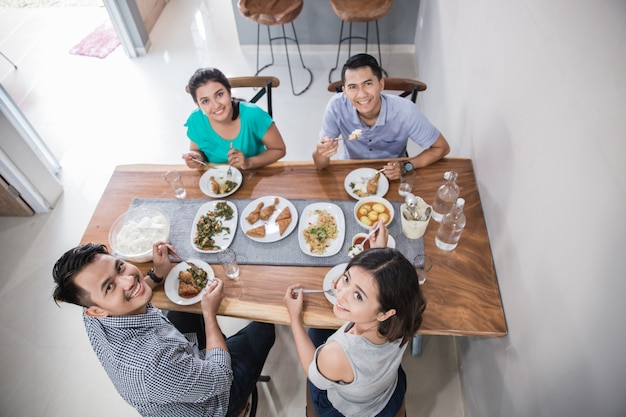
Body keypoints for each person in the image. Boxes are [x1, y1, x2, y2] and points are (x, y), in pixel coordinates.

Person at [52, 241, 275, 417]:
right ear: (96, 311)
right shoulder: (152, 364)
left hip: (177, 365)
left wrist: (156, 275)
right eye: (110, 287)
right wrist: (209, 314)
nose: (128, 280)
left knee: (184, 302)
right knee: (265, 325)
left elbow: (129, 288)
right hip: (214, 402)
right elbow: (220, 378)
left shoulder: (93, 311)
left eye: (119, 267)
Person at [284, 222, 427, 417]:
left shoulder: (336, 354)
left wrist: (294, 318)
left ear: (384, 313)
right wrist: (379, 255)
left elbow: (313, 372)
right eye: (347, 279)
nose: (341, 293)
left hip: (350, 410)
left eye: (358, 296)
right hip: (387, 392)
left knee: (315, 331)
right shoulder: (406, 312)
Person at [313, 53, 450, 180]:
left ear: (381, 84)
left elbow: (441, 148)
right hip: (351, 170)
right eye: (353, 87)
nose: (361, 94)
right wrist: (321, 152)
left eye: (367, 84)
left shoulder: (406, 112)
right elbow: (321, 165)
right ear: (345, 92)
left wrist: (407, 166)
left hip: (392, 174)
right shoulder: (336, 107)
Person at [182, 67, 286, 170]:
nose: (216, 105)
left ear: (229, 91)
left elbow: (279, 149)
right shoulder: (196, 120)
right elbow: (196, 151)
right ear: (198, 105)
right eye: (205, 101)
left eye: (219, 94)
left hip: (254, 173)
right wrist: (196, 158)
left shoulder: (253, 115)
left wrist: (248, 162)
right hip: (215, 178)